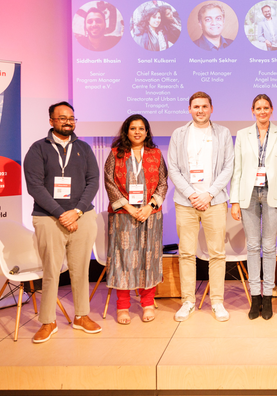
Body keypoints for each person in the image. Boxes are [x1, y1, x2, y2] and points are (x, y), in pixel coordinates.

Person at [23, 101, 101, 343]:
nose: (68, 121)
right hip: (48, 218)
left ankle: (81, 316)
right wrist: (60, 213)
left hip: (82, 216)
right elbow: (34, 186)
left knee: (81, 269)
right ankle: (48, 321)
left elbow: (93, 181)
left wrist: (76, 211)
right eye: (63, 118)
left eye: (72, 118)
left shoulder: (84, 149)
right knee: (51, 271)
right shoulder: (38, 149)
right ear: (51, 121)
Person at [167, 91, 234, 321]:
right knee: (186, 253)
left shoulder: (223, 133)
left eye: (204, 106)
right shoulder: (179, 134)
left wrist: (209, 194)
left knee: (217, 253)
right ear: (189, 109)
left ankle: (217, 301)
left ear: (211, 108)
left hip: (214, 201)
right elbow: (173, 168)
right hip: (186, 202)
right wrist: (191, 194)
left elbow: (228, 167)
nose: (200, 110)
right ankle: (188, 301)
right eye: (196, 106)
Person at [230, 94, 277, 320]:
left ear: (272, 110)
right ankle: (254, 296)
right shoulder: (242, 134)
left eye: (266, 107)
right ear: (252, 110)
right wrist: (235, 200)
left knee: (268, 247)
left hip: (273, 195)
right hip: (249, 195)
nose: (262, 111)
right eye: (258, 108)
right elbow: (237, 170)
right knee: (253, 246)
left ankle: (268, 297)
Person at [103, 114, 168, 324]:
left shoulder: (156, 154)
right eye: (133, 128)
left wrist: (150, 207)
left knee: (148, 258)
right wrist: (130, 208)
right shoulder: (115, 154)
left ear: (147, 132)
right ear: (127, 131)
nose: (137, 132)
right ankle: (122, 306)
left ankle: (147, 303)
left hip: (150, 215)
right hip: (123, 216)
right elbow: (109, 183)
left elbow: (163, 183)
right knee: (123, 259)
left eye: (141, 128)